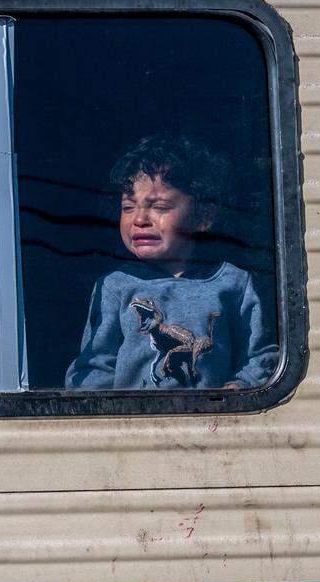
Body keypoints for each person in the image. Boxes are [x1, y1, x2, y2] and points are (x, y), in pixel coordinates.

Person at [65, 135, 278, 390]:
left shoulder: (234, 283)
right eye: (128, 207)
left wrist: (238, 389)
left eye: (161, 207)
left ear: (204, 216)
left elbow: (262, 358)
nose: (140, 219)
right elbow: (94, 367)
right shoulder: (114, 286)